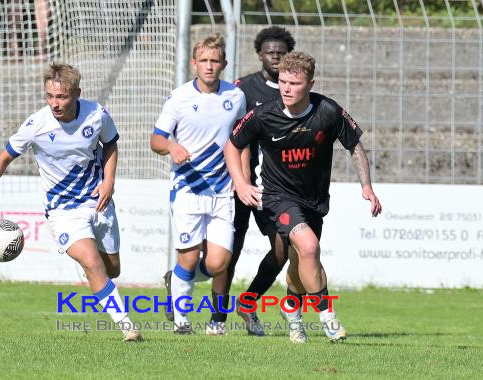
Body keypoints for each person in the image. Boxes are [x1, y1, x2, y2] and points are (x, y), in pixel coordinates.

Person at [0, 63, 142, 342]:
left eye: (61, 97)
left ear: (77, 94)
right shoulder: (36, 125)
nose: (54, 103)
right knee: (92, 262)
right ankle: (127, 327)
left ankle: (94, 273)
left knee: (112, 269)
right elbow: (3, 157)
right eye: (49, 96)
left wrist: (108, 181)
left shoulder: (96, 115)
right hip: (63, 210)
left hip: (97, 202)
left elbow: (110, 144)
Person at [225, 51, 382, 343]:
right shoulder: (264, 114)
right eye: (283, 81)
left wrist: (367, 186)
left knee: (297, 260)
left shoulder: (328, 111)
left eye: (294, 83)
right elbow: (233, 145)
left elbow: (355, 146)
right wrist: (241, 183)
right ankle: (328, 318)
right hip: (276, 197)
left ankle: (291, 312)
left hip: (314, 200)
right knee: (308, 247)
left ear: (310, 83)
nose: (286, 88)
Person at [150, 34, 246, 335]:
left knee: (218, 263)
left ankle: (175, 280)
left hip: (222, 191)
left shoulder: (236, 97)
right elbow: (156, 139)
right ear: (194, 63)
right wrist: (171, 147)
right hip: (188, 189)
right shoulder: (179, 98)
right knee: (189, 259)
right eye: (203, 60)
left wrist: (241, 181)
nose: (209, 66)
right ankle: (182, 321)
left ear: (224, 64)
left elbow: (242, 142)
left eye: (214, 60)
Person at [217, 26, 296, 337]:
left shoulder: (294, 89)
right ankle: (217, 321)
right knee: (228, 253)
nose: (275, 56)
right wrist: (239, 178)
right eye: (269, 52)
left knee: (282, 247)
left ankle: (248, 302)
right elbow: (229, 136)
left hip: (275, 189)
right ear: (260, 54)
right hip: (239, 185)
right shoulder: (243, 89)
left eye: (281, 52)